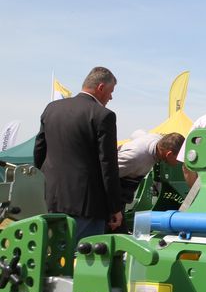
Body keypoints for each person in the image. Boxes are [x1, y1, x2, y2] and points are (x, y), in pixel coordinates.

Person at [33, 66, 123, 241]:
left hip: (51, 199)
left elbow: (39, 151)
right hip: (87, 206)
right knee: (82, 260)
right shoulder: (103, 116)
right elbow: (108, 165)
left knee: (51, 255)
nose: (111, 97)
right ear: (101, 88)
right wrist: (115, 207)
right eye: (111, 91)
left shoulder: (51, 109)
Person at [118, 132, 185, 204]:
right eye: (180, 157)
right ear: (169, 154)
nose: (181, 161)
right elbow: (106, 176)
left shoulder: (159, 141)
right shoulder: (135, 158)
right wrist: (115, 209)